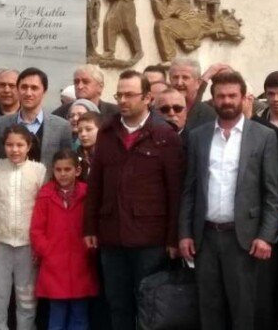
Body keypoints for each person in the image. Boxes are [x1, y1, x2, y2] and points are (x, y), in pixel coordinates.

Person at [179, 71, 278, 330]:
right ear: (212, 100)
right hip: (206, 237)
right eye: (221, 96)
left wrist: (266, 235)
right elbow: (189, 189)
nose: (226, 101)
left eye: (232, 96)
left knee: (243, 309)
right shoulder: (198, 136)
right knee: (208, 308)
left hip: (243, 238)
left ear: (243, 97)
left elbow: (272, 192)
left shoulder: (263, 136)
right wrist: (184, 233)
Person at [83, 70, 184, 329]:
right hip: (112, 236)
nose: (123, 100)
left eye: (130, 95)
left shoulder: (165, 136)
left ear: (148, 97)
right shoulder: (107, 133)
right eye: (119, 95)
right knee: (117, 303)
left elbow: (175, 192)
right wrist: (91, 228)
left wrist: (173, 238)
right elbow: (95, 184)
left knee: (149, 304)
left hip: (150, 239)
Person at [0, 125, 46, 330]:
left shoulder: (39, 171)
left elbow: (43, 211)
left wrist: (40, 246)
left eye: (20, 145)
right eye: (9, 145)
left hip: (28, 246)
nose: (14, 150)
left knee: (27, 298)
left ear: (29, 146)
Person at [31, 149, 98, 330]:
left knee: (80, 314)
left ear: (77, 170)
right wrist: (47, 251)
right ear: (53, 170)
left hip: (81, 263)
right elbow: (36, 230)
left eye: (67, 169)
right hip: (54, 265)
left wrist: (89, 250)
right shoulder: (45, 195)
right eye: (58, 170)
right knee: (57, 314)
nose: (62, 174)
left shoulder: (87, 194)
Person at [0, 67, 73, 175]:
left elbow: (67, 164)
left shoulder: (61, 127)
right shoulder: (0, 124)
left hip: (46, 189)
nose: (28, 93)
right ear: (17, 89)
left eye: (34, 88)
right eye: (24, 87)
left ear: (44, 92)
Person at [52, 65, 120, 119]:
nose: (80, 86)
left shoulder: (116, 114)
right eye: (76, 82)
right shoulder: (60, 114)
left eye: (85, 82)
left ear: (100, 87)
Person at [168, 58, 217, 131]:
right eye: (175, 77)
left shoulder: (209, 115)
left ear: (198, 83)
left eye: (185, 77)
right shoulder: (158, 111)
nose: (179, 83)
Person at [76, 111, 101, 182]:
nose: (83, 134)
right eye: (80, 131)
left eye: (88, 129)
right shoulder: (75, 159)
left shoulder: (111, 157)